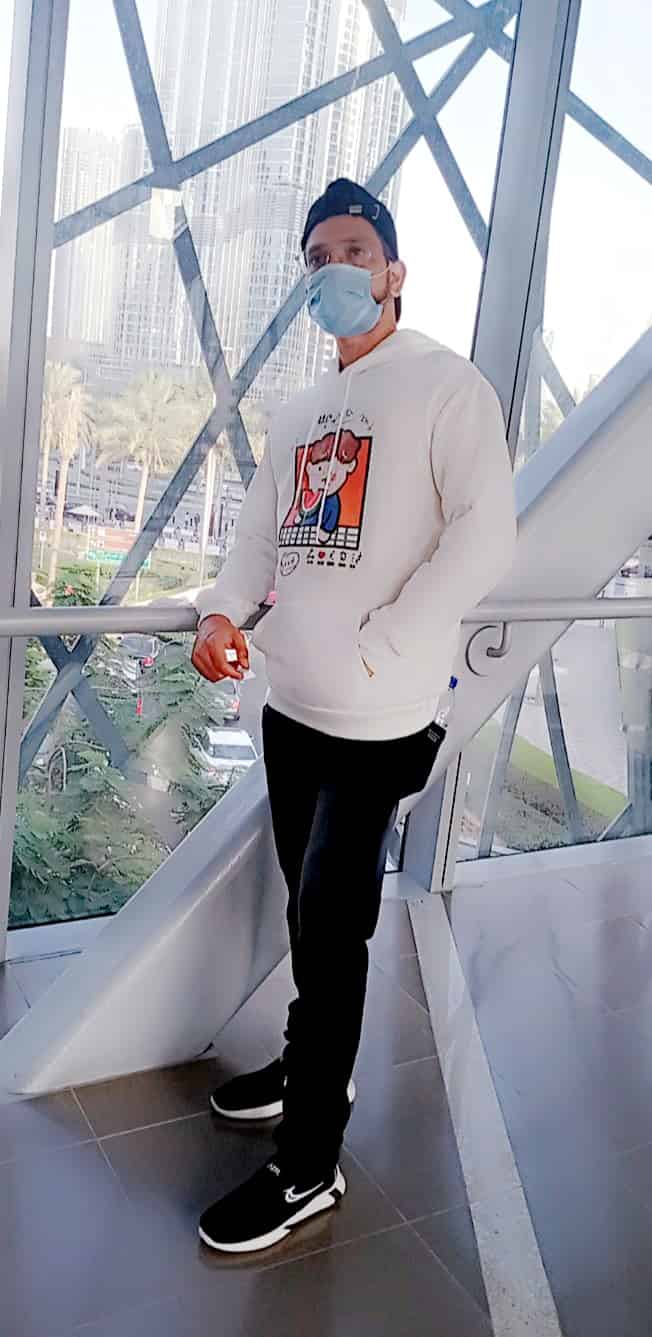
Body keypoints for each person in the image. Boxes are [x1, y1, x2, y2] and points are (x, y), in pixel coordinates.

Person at [191, 178, 517, 1254]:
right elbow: (259, 539)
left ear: (392, 270)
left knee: (333, 934)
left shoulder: (445, 386)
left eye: (352, 251)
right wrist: (220, 613)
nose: (333, 270)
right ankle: (304, 1067)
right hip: (291, 707)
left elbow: (484, 535)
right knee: (306, 914)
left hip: (381, 723)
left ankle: (307, 1167)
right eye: (316, 258)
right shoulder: (299, 411)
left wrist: (385, 641)